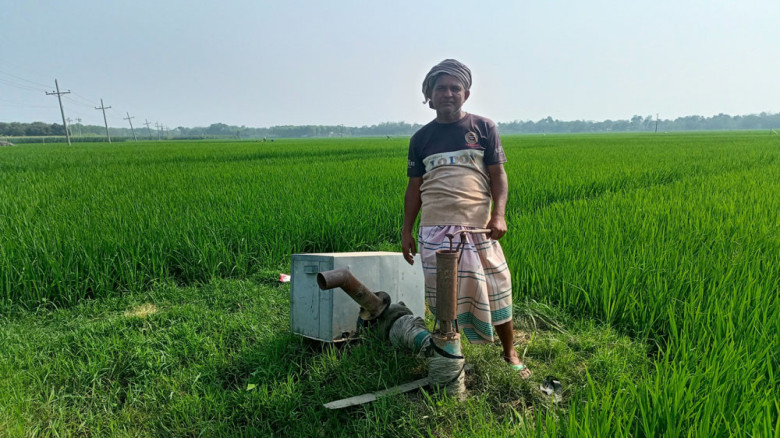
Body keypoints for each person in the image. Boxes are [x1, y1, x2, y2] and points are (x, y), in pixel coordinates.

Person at [402, 59, 530, 378]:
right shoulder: (420, 139)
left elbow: (498, 176)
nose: (448, 93)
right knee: (444, 298)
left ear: (466, 93)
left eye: (454, 88)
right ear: (429, 95)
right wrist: (406, 230)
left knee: (497, 285)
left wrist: (498, 215)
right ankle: (449, 354)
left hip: (477, 227)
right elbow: (414, 187)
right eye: (440, 88)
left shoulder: (483, 128)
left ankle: (509, 351)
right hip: (434, 229)